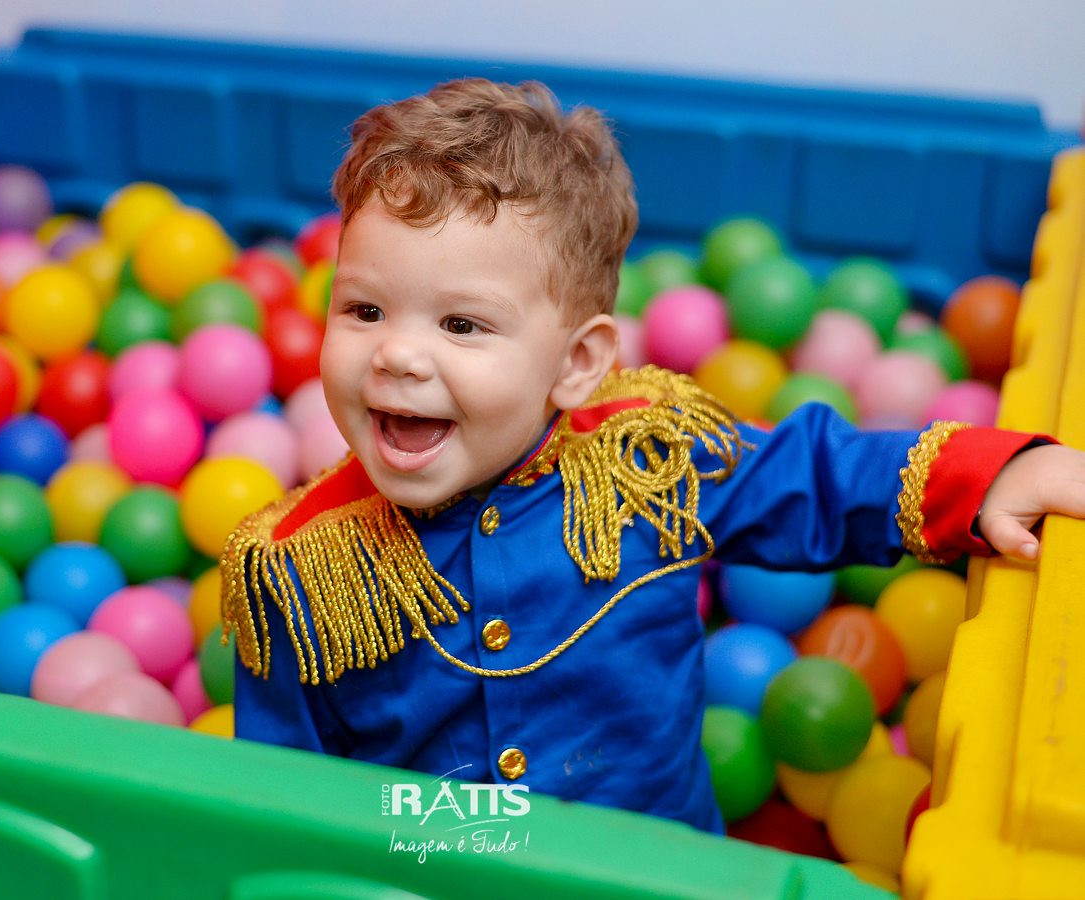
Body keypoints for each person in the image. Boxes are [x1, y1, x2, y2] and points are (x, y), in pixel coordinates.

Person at [221, 78, 1085, 833]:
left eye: (460, 324)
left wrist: (990, 476)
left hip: (665, 870)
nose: (396, 355)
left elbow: (813, 477)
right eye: (364, 310)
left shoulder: (644, 462)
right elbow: (284, 800)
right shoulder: (300, 572)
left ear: (576, 363)